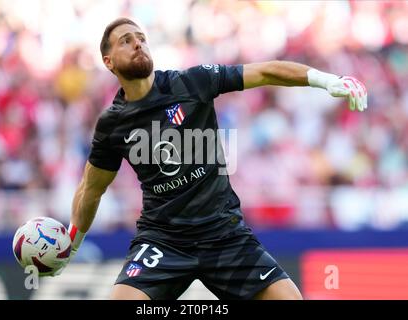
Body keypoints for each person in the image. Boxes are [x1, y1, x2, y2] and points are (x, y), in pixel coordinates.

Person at [55, 17, 367, 300]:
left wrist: (327, 80)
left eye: (141, 38)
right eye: (126, 40)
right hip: (164, 241)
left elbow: (265, 71)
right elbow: (91, 188)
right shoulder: (113, 123)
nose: (138, 43)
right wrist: (72, 244)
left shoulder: (191, 83)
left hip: (223, 234)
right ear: (109, 62)